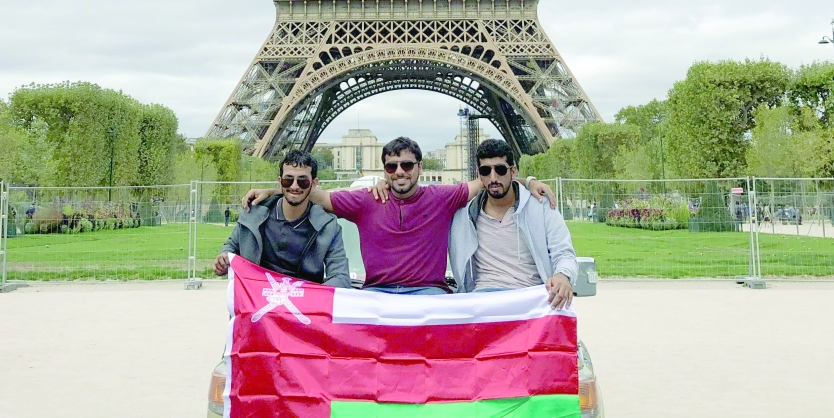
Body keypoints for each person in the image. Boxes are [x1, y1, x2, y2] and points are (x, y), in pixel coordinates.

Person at [242, 135, 556, 295]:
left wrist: (526, 180)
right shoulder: (366, 200)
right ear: (385, 169)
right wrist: (273, 191)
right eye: (392, 166)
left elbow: (492, 178)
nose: (399, 172)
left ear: (420, 167)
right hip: (377, 294)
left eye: (407, 165)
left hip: (427, 294)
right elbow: (309, 190)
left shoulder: (442, 197)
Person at [449, 138, 577, 310]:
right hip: (483, 299)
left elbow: (564, 252)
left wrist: (563, 275)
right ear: (479, 175)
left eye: (500, 170)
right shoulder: (463, 214)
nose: (493, 177)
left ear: (513, 171)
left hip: (530, 299)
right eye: (486, 171)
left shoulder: (541, 206)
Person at [213, 150, 351, 287]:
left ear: (314, 184)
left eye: (302, 181)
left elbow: (340, 277)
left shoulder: (328, 226)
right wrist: (223, 258)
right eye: (288, 180)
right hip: (257, 300)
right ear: (280, 181)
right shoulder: (254, 212)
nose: (294, 186)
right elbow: (231, 246)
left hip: (303, 304)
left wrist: (314, 297)